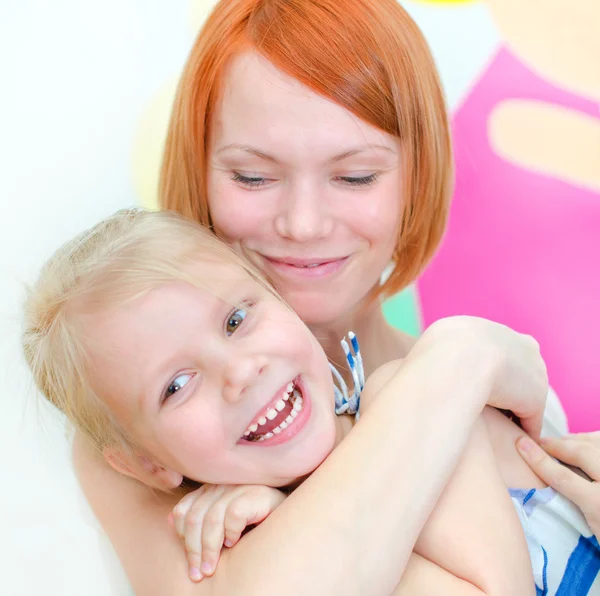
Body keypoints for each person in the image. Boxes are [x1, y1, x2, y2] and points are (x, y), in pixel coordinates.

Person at [64, 0, 584, 593]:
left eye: (355, 176)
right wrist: (460, 361)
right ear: (199, 169)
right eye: (253, 177)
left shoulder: (502, 392)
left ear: (416, 176)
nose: (304, 224)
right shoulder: (149, 431)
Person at [27, 207, 597, 595]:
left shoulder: (427, 398)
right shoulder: (237, 547)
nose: (240, 372)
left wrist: (288, 517)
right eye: (176, 386)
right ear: (148, 465)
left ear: (281, 299)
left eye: (236, 318)